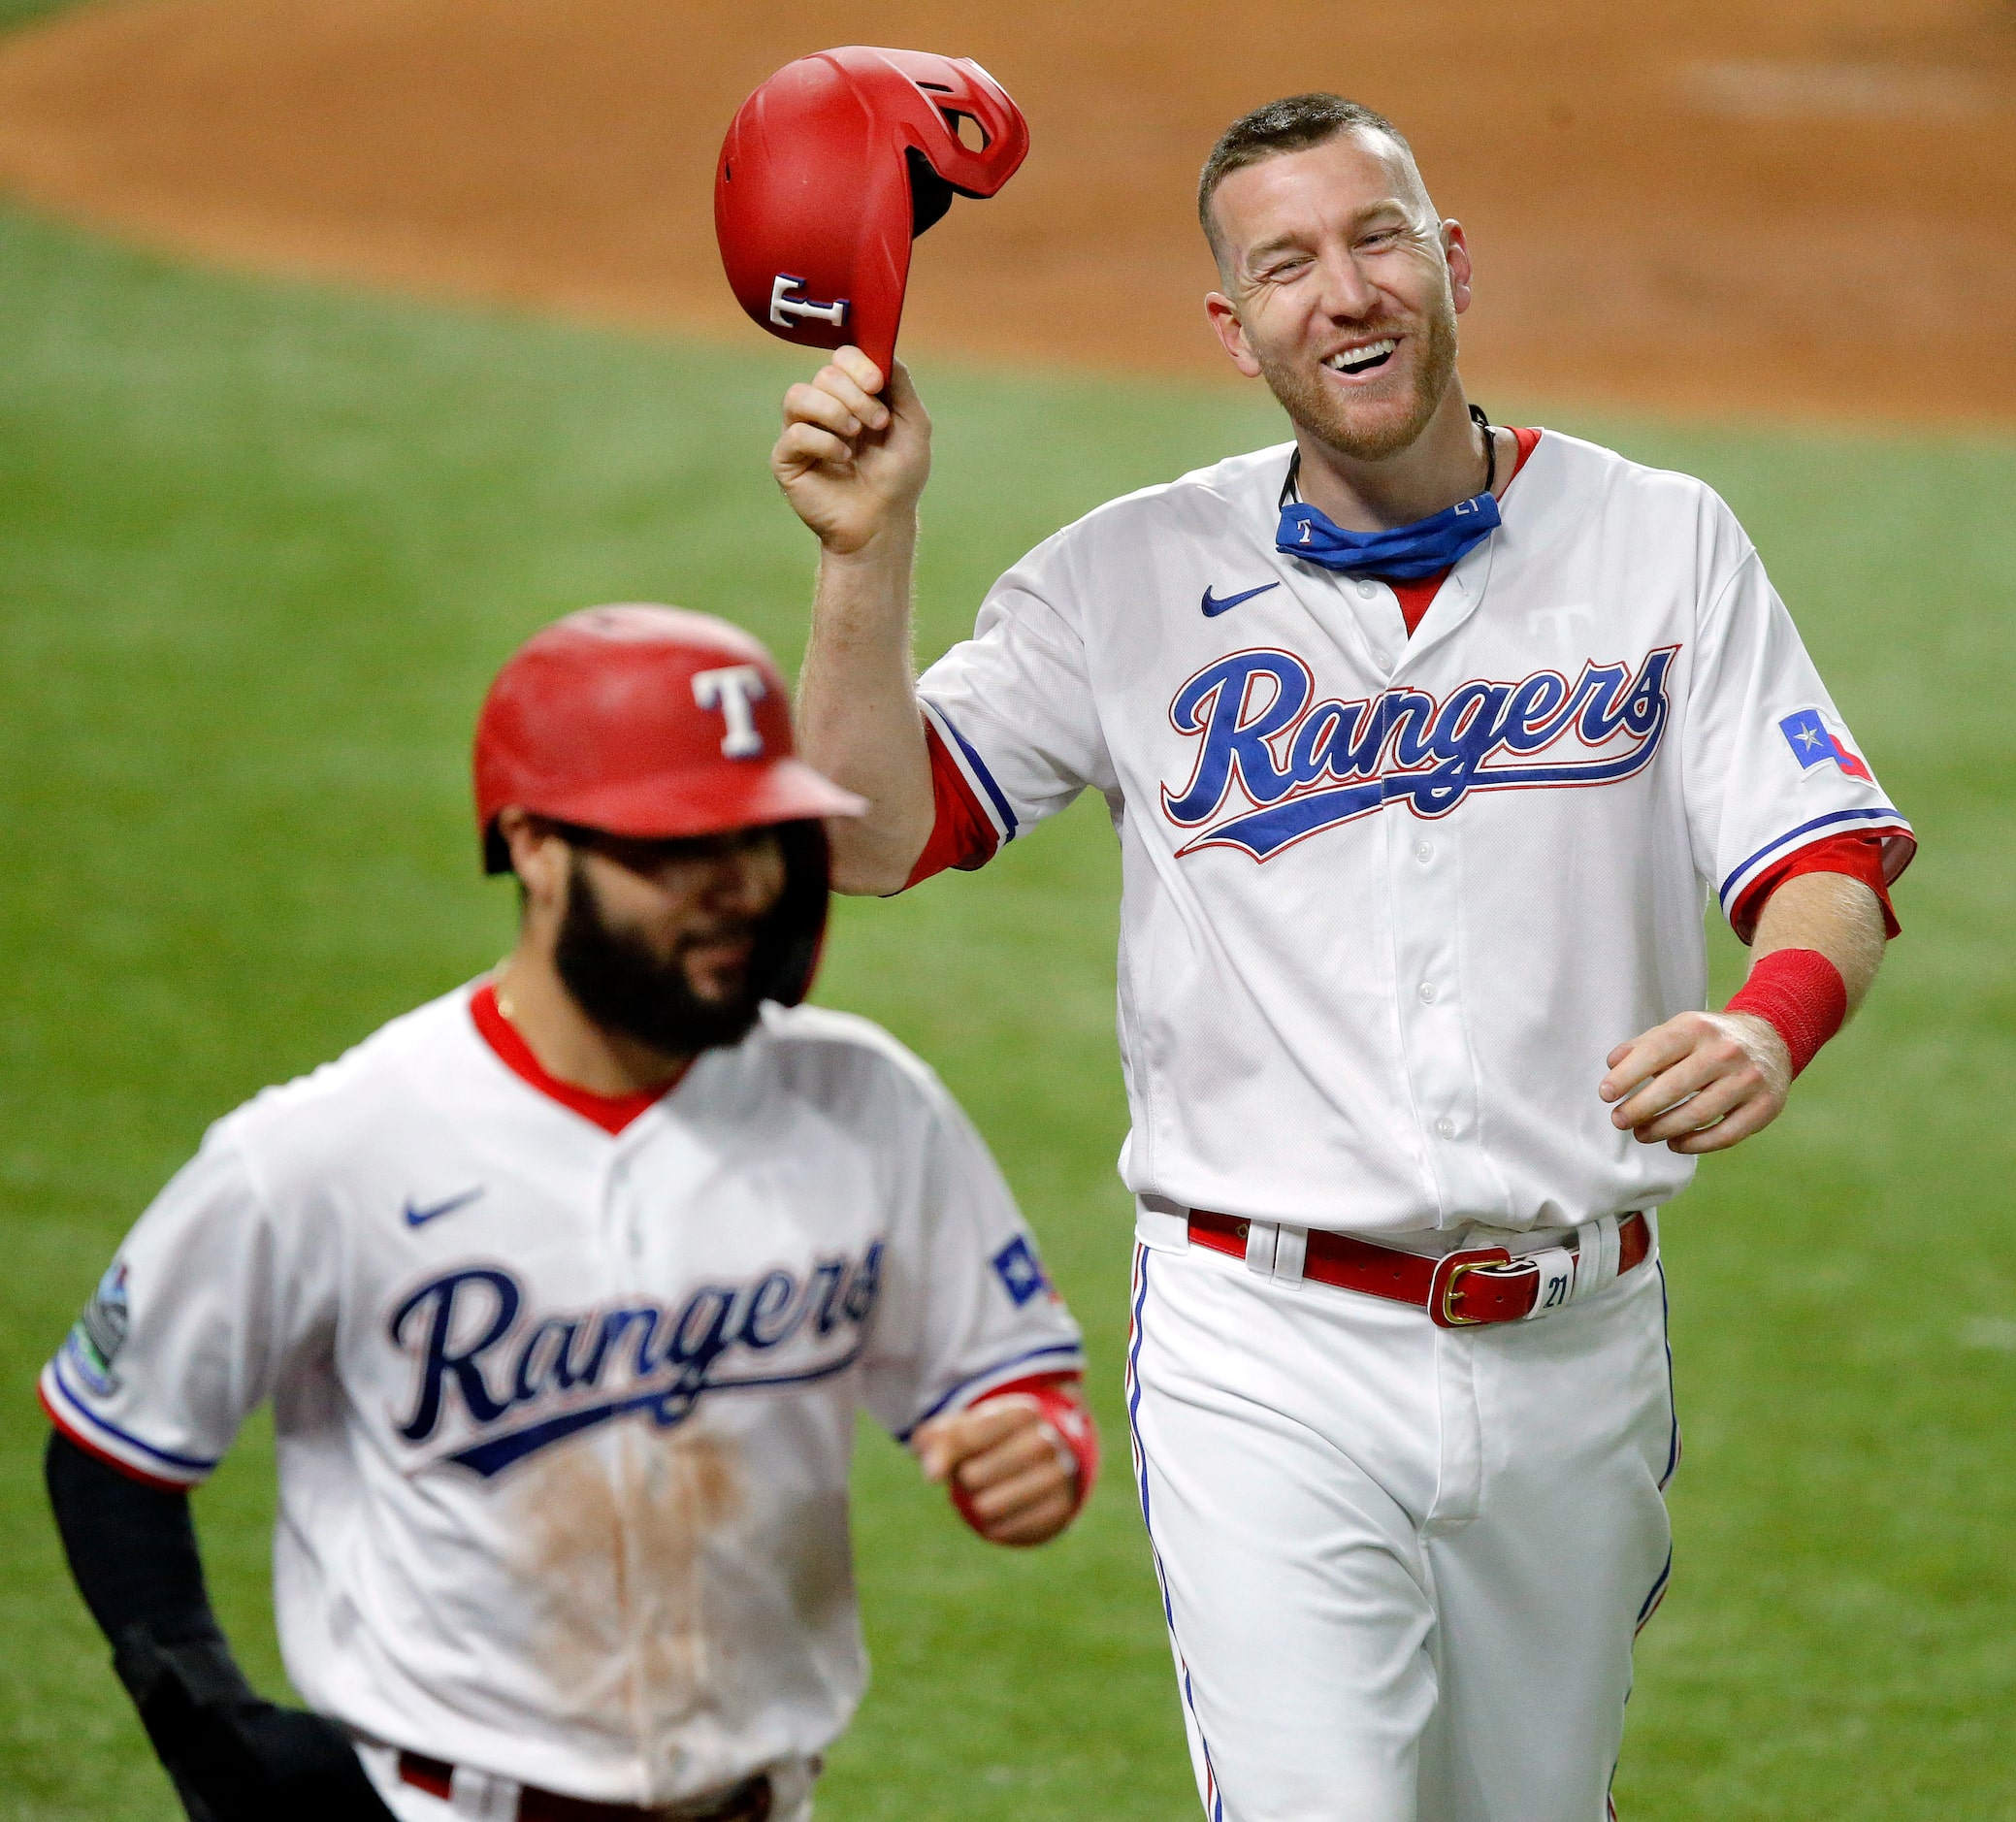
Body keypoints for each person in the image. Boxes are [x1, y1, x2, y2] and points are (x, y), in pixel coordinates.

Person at [769, 92, 1912, 1821]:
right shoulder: (1128, 578)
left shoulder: (1659, 538)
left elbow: (1826, 856)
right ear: (1235, 331)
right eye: (1287, 265)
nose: (1346, 292)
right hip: (1266, 1344)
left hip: (1578, 1340)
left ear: (1451, 262)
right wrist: (870, 554)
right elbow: (867, 830)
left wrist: (1772, 1023)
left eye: (1378, 240)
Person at [41, 604, 1096, 1822]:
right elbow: (111, 1440)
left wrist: (1031, 1447)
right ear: (536, 848)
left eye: (757, 842)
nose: (737, 892)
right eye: (676, 852)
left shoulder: (865, 1102)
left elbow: (999, 1382)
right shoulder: (327, 1148)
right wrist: (209, 1725)